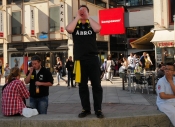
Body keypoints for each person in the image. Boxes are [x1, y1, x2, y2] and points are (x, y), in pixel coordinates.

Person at [66, 5, 104, 118]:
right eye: (80, 11)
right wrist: (77, 17)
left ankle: (98, 109)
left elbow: (98, 29)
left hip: (92, 58)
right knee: (82, 86)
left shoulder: (90, 24)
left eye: (84, 11)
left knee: (96, 85)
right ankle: (85, 109)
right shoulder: (76, 25)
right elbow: (69, 29)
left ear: (88, 12)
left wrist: (88, 17)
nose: (82, 12)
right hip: (79, 60)